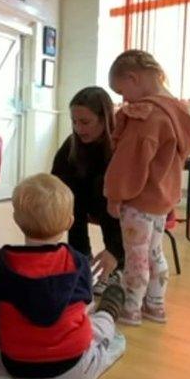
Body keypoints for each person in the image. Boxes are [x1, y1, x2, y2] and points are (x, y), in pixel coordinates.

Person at [0, 173, 125, 379]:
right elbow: (85, 304)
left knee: (85, 325)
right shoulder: (77, 262)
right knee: (97, 324)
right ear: (70, 222)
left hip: (16, 366)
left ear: (16, 219)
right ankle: (109, 312)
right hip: (73, 372)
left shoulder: (2, 262)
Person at [105, 50, 190, 325]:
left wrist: (115, 194)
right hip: (162, 199)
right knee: (154, 252)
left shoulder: (146, 115)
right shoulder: (177, 112)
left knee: (135, 255)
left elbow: (129, 160)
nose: (124, 100)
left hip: (138, 199)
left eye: (122, 91)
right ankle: (156, 304)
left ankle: (131, 308)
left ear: (134, 78)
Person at [52, 86, 126, 293]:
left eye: (85, 122)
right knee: (69, 189)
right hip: (83, 203)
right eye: (74, 122)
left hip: (116, 205)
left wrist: (115, 248)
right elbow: (55, 180)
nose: (78, 129)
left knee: (104, 185)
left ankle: (117, 263)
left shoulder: (120, 144)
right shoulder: (72, 144)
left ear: (105, 119)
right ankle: (81, 258)